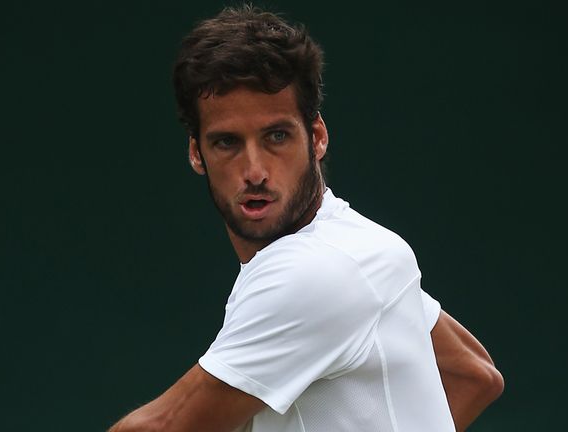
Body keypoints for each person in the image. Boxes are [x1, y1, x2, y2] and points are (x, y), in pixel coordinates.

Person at [108, 5, 503, 432]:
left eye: (276, 136)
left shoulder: (312, 273)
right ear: (196, 153)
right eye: (226, 143)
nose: (254, 170)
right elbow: (473, 375)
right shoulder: (361, 247)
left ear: (316, 137)